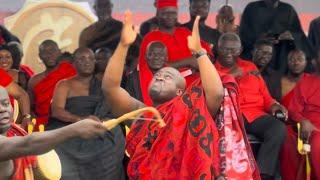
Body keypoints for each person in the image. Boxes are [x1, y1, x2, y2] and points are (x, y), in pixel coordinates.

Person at [103, 11, 260, 179]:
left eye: (168, 76)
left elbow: (216, 92)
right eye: (157, 76)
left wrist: (199, 53)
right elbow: (110, 88)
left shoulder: (194, 112)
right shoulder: (143, 114)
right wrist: (123, 46)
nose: (161, 76)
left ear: (180, 92)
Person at [215, 32, 287, 180]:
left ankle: (262, 175)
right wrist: (232, 75)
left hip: (255, 114)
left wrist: (274, 105)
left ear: (240, 50)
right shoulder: (211, 70)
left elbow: (266, 96)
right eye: (225, 49)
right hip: (230, 115)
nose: (229, 53)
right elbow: (212, 95)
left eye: (233, 49)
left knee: (278, 128)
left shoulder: (249, 66)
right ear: (218, 48)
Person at [0, 86, 112, 180]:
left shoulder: (15, 131)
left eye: (5, 103)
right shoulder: (10, 144)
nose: (2, 109)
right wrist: (75, 129)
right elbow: (27, 144)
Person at [48, 47, 125, 179]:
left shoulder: (104, 85)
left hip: (100, 127)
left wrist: (105, 120)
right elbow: (57, 111)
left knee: (117, 132)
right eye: (81, 59)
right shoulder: (64, 84)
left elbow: (114, 111)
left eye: (90, 58)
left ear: (95, 62)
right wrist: (81, 120)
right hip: (72, 128)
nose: (87, 62)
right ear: (74, 63)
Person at [138, 0, 211, 94]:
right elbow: (148, 69)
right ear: (158, 14)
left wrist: (200, 60)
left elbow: (207, 55)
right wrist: (189, 61)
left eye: (173, 12)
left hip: (196, 89)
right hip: (168, 91)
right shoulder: (150, 38)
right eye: (165, 13)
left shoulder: (185, 33)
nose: (170, 16)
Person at [239, 0, 315, 73]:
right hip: (256, 56)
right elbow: (243, 34)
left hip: (281, 58)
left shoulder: (288, 9)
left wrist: (291, 35)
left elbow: (299, 35)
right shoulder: (251, 8)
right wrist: (261, 39)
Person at [28, 40, 76, 130]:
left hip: (69, 120)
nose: (49, 54)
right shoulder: (34, 81)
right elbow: (30, 107)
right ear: (40, 56)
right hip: (43, 125)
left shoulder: (71, 70)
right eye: (45, 52)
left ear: (59, 52)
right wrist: (35, 122)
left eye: (53, 50)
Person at [287, 49, 320, 180]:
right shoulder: (306, 81)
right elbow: (293, 110)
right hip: (309, 126)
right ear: (316, 62)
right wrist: (303, 121)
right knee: (286, 135)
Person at [279, 49, 309, 180]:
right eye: (292, 59)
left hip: (309, 125)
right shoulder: (279, 82)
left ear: (306, 62)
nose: (296, 63)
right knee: (287, 139)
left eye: (300, 59)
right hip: (288, 125)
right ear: (287, 62)